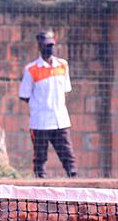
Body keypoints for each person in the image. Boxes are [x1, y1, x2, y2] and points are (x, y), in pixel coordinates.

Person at [18, 30, 78, 178]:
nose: (49, 48)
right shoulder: (31, 69)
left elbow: (65, 89)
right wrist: (39, 105)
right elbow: (24, 95)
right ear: (39, 47)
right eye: (46, 45)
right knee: (40, 158)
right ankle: (40, 183)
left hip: (60, 120)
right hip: (40, 122)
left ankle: (74, 180)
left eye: (51, 45)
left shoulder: (63, 65)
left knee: (67, 154)